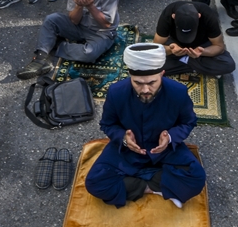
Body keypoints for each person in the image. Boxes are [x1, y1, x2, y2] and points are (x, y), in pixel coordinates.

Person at [85, 43, 206, 209]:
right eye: (138, 83)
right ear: (130, 76)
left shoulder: (178, 92)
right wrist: (123, 138)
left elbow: (188, 121)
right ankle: (155, 187)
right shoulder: (116, 92)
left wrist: (170, 137)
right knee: (94, 183)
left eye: (152, 82)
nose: (146, 89)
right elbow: (107, 124)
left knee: (197, 177)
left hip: (165, 151)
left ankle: (136, 183)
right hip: (128, 151)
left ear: (162, 74)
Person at [16, 0, 119, 80]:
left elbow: (106, 25)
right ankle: (39, 60)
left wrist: (90, 6)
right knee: (51, 19)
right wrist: (79, 6)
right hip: (81, 26)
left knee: (90, 54)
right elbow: (74, 20)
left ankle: (57, 46)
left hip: (101, 32)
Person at [153, 0, 235, 77]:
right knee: (149, 66)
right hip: (176, 44)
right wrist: (171, 49)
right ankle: (196, 65)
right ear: (173, 16)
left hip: (201, 45)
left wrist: (202, 52)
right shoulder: (168, 13)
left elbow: (219, 46)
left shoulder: (208, 15)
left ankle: (183, 61)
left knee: (228, 65)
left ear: (199, 16)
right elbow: (156, 47)